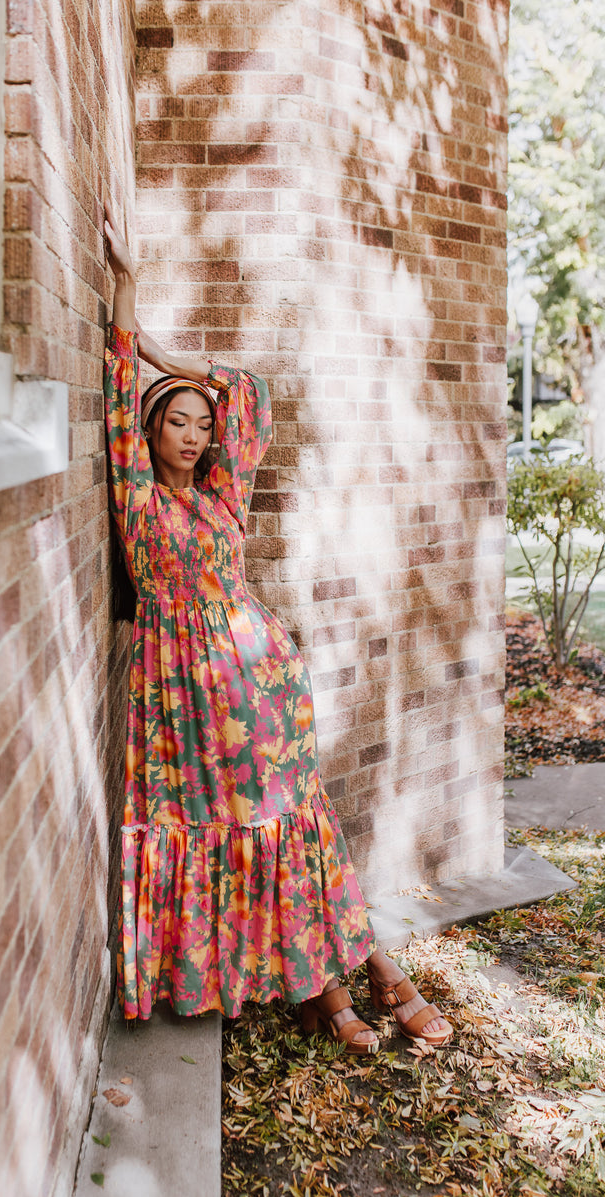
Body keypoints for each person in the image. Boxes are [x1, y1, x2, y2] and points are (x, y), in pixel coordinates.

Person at [102, 203, 452, 1053]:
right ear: (148, 431)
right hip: (184, 695)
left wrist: (172, 359)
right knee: (262, 836)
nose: (193, 435)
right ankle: (337, 985)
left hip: (260, 690)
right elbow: (116, 391)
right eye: (176, 421)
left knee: (301, 828)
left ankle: (354, 975)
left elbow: (250, 393)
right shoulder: (138, 495)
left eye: (200, 425)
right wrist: (127, 298)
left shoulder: (224, 495)